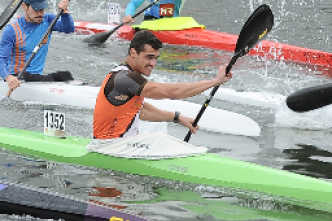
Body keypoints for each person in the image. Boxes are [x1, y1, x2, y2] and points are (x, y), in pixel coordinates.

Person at [93, 30, 231, 139]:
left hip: (121, 146)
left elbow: (140, 110)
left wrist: (176, 117)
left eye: (155, 58)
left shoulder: (127, 77)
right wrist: (214, 82)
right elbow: (171, 93)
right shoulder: (125, 78)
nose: (153, 64)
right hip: (110, 148)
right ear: (133, 52)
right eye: (149, 57)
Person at [0, 0, 75, 93]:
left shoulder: (48, 20)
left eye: (42, 9)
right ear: (25, 7)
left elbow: (69, 29)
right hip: (19, 77)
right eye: (36, 9)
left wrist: (65, 13)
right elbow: (0, 62)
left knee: (66, 75)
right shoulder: (12, 30)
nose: (40, 13)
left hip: (37, 78)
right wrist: (9, 78)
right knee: (48, 80)